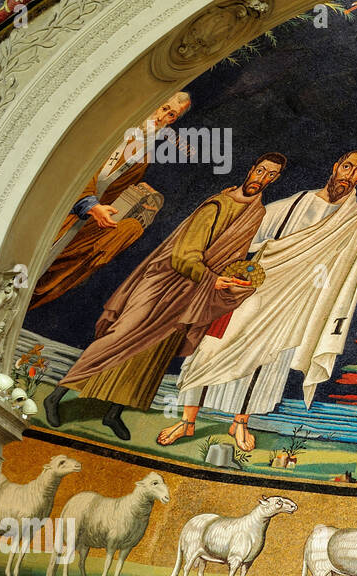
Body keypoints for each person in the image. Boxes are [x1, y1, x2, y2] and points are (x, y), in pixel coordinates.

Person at [159, 151, 357, 450]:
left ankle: (240, 423)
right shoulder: (294, 203)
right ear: (335, 166)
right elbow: (247, 228)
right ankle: (187, 420)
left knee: (265, 361)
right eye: (346, 166)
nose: (349, 174)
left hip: (296, 303)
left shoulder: (356, 219)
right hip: (254, 291)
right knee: (212, 347)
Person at [41, 154, 287, 440]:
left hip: (193, 292)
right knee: (121, 335)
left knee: (154, 352)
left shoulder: (256, 213)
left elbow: (233, 256)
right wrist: (211, 278)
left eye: (271, 175)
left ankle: (113, 413)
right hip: (165, 281)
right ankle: (56, 395)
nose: (263, 178)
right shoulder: (218, 205)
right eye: (261, 170)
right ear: (251, 169)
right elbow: (184, 255)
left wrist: (235, 279)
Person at [31, 92, 191, 309]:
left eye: (171, 115)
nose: (163, 118)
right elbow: (81, 162)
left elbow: (112, 183)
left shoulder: (144, 153)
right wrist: (89, 204)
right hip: (53, 202)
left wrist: (127, 198)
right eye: (163, 108)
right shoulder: (117, 124)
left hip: (80, 215)